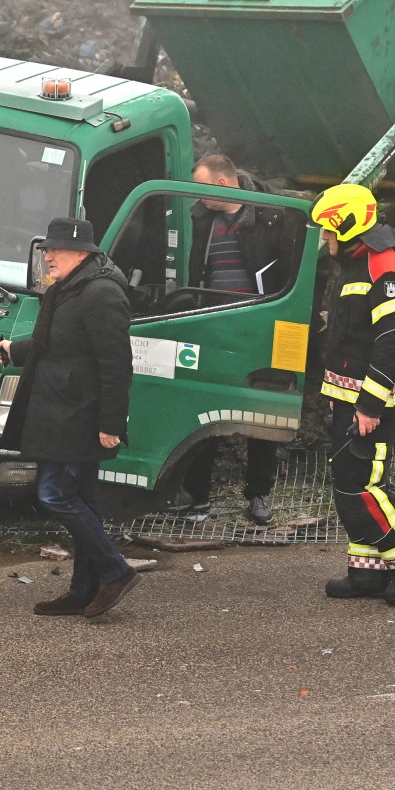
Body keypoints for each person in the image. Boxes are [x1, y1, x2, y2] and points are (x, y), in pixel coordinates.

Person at [0, 216, 139, 619]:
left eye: (54, 250)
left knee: (54, 494)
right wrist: (16, 350)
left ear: (80, 252)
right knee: (86, 502)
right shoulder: (69, 288)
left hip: (79, 416)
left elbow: (117, 364)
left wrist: (113, 423)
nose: (47, 257)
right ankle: (82, 589)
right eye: (45, 250)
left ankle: (115, 571)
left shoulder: (101, 294)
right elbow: (56, 340)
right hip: (61, 412)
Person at [309, 184, 395, 605]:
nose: (324, 238)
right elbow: (351, 339)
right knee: (350, 485)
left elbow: (390, 342)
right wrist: (337, 392)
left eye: (328, 230)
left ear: (346, 226)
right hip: (352, 400)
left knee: (365, 487)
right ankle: (366, 571)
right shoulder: (356, 263)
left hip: (375, 407)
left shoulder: (383, 267)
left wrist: (368, 405)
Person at [172, 154, 293, 525]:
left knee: (264, 413)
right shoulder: (201, 217)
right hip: (212, 325)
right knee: (203, 411)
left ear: (223, 184)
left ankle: (258, 494)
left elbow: (288, 270)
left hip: (259, 326)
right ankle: (197, 496)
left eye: (203, 186)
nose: (198, 195)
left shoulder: (272, 215)